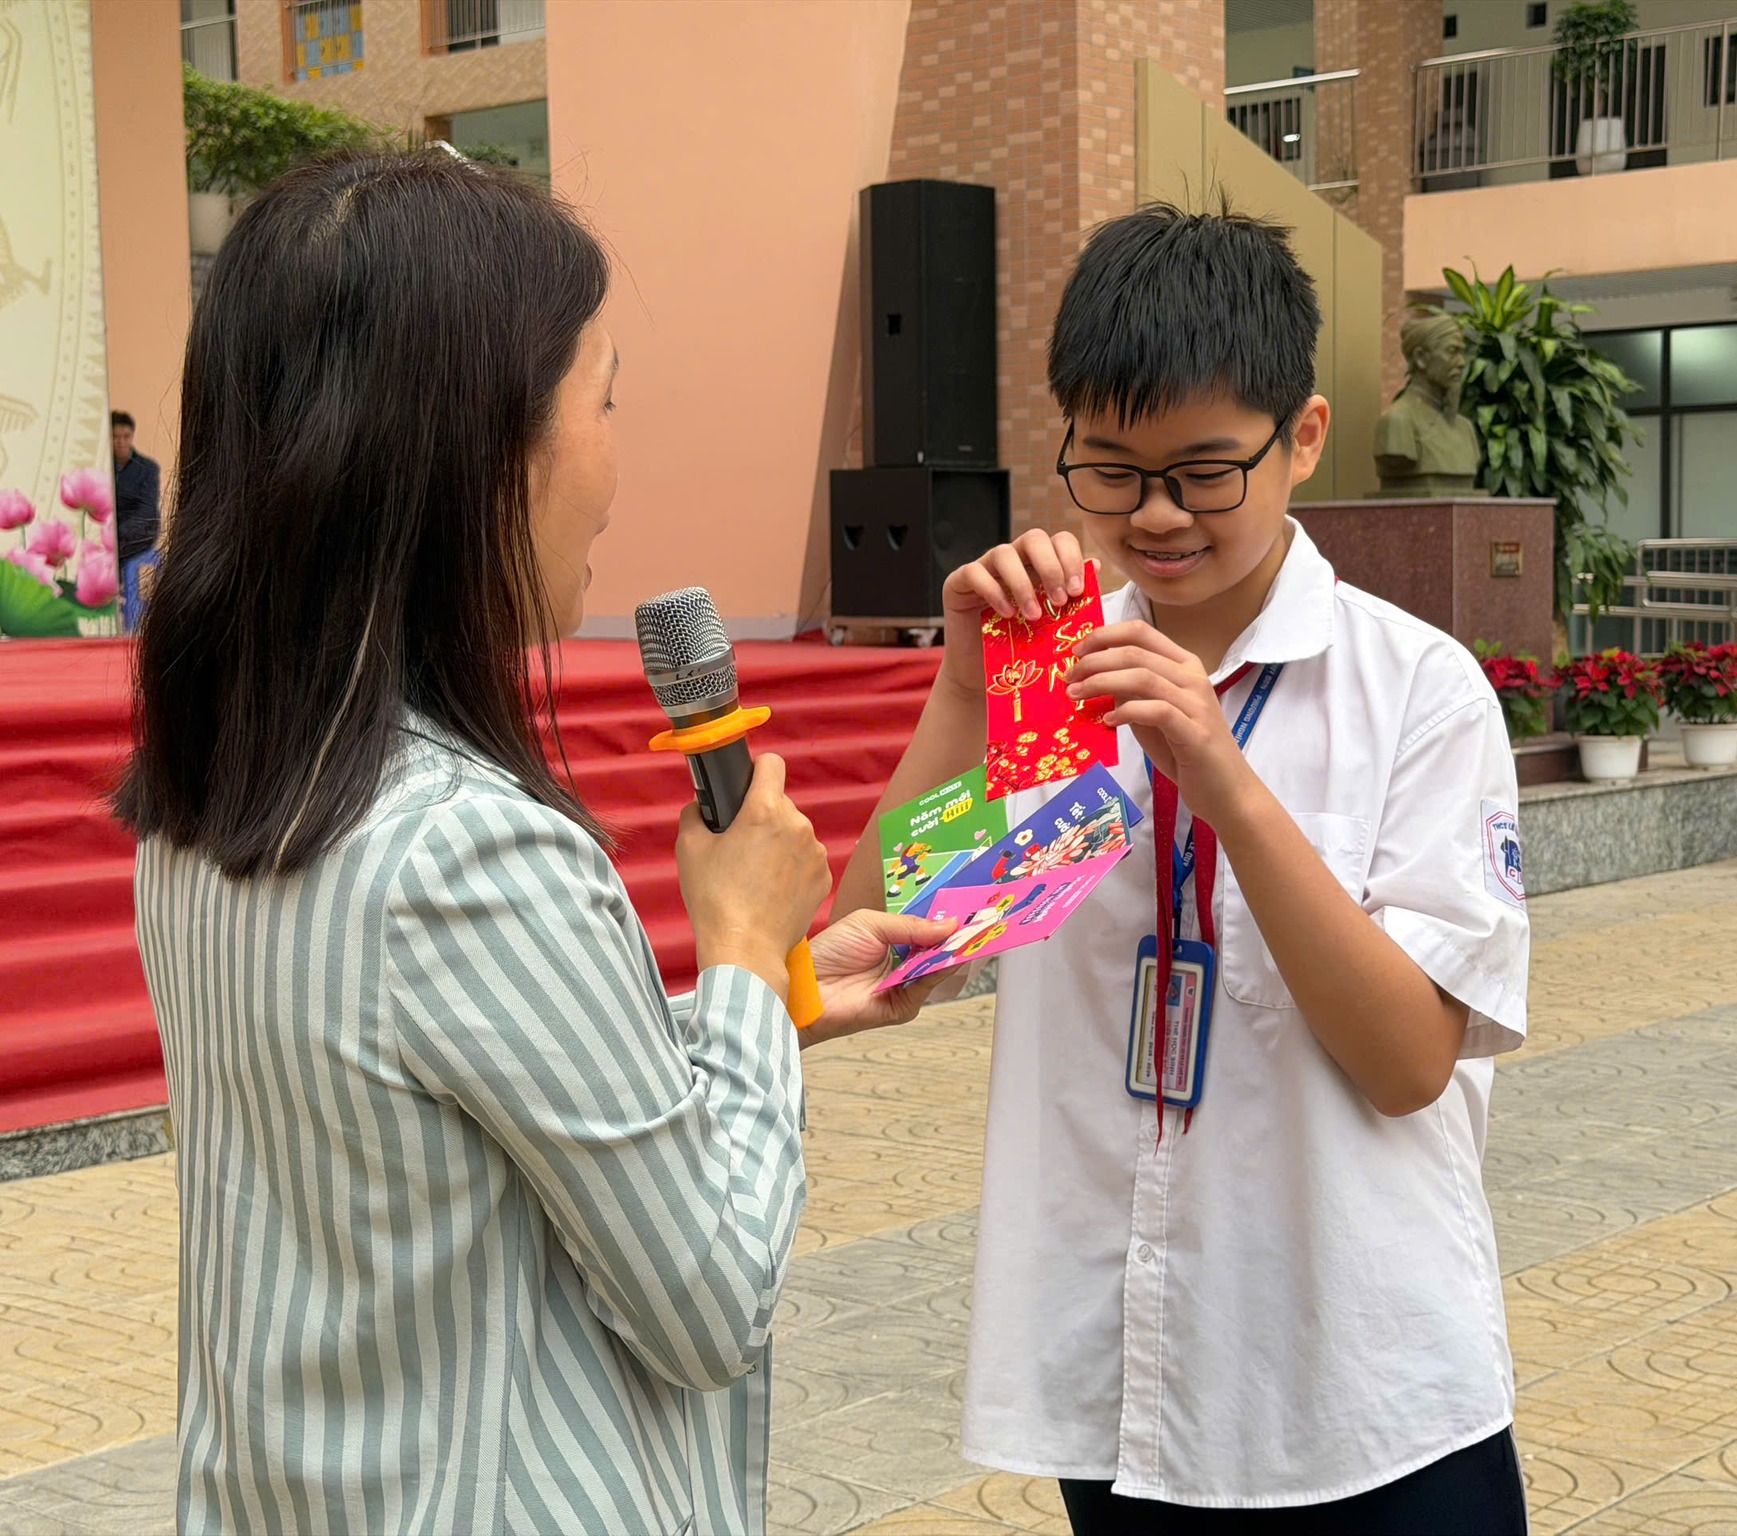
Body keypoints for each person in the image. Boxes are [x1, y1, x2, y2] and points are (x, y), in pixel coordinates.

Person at [116, 150, 952, 1536]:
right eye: (603, 398)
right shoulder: (469, 854)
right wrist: (745, 955)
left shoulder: (207, 797)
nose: (615, 463)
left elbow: (427, 1101)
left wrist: (754, 1020)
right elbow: (711, 1296)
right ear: (480, 449)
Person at [837, 204, 1532, 1532]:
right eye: (1110, 472)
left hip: (1366, 1383)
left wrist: (1223, 778)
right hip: (1130, 1374)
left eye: (1204, 472)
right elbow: (891, 953)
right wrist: (965, 693)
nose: (1155, 516)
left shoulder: (1414, 690)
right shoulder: (1056, 678)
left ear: (1302, 438)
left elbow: (1408, 1064)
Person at [1371, 312, 1483, 498]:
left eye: (1462, 353)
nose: (1462, 363)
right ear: (1421, 358)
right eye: (1452, 351)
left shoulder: (1465, 428)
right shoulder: (1397, 422)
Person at [109, 409, 161, 564]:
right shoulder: (102, 467)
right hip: (110, 532)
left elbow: (147, 509)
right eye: (115, 436)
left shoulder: (148, 468)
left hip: (139, 533)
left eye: (126, 436)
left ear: (132, 436)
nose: (121, 442)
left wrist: (118, 531)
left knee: (113, 554)